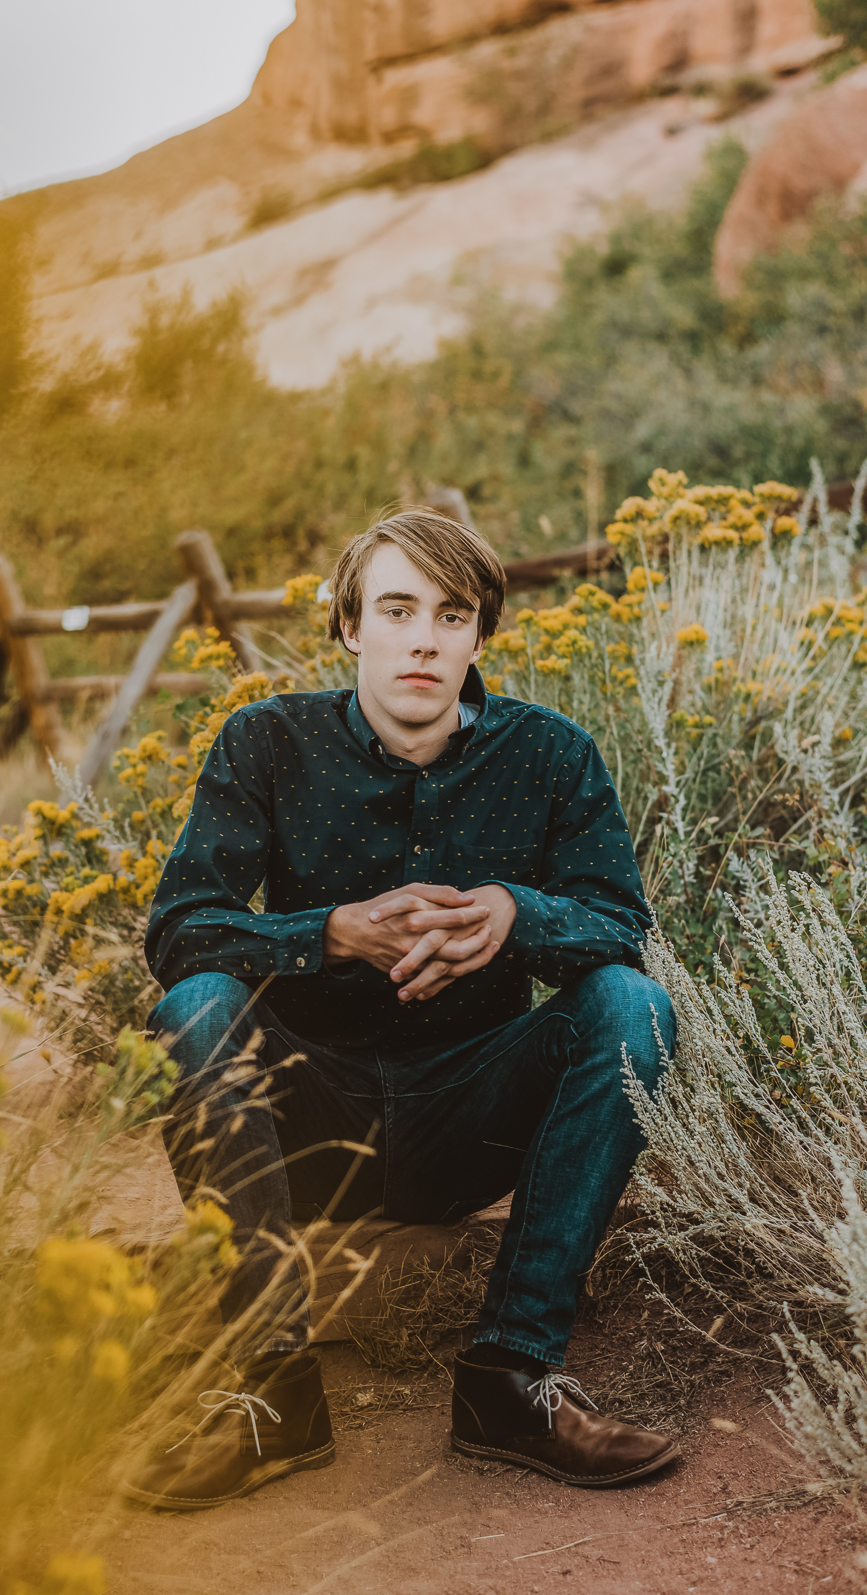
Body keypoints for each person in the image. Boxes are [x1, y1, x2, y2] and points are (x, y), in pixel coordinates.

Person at [127, 510, 678, 1512]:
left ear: (479, 635)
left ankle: (510, 1379)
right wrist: (328, 933)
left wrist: (519, 916)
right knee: (196, 1005)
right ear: (349, 626)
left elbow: (621, 930)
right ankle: (272, 1389)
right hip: (308, 1118)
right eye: (396, 609)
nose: (423, 638)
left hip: (474, 1118)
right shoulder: (264, 741)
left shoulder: (551, 755)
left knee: (632, 1005)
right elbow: (181, 932)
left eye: (450, 614)